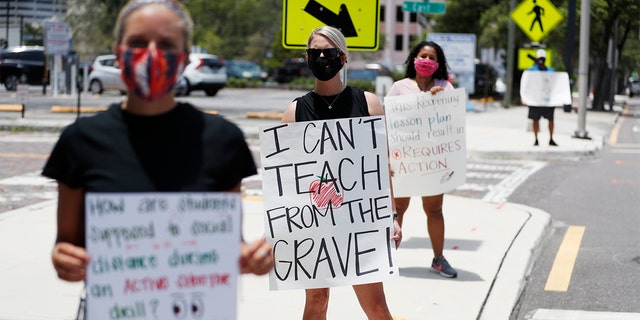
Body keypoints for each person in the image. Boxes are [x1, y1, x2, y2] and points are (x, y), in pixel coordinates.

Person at [43, 0, 273, 285]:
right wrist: (64, 259)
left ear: (185, 58)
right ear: (117, 54)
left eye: (166, 45)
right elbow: (65, 244)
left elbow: (228, 243)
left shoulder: (223, 141)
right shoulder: (80, 141)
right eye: (138, 42)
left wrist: (251, 258)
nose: (152, 55)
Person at [281, 26, 402, 320]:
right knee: (317, 301)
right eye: (315, 53)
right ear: (307, 59)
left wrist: (393, 216)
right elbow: (286, 178)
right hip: (315, 222)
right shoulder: (295, 111)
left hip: (360, 220)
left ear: (343, 58)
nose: (323, 57)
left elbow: (380, 167)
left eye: (330, 52)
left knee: (376, 306)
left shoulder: (368, 103)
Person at [385, 40, 458, 278]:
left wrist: (440, 101)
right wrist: (386, 156)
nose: (427, 61)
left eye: (432, 57)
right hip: (404, 159)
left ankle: (439, 259)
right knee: (399, 209)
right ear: (414, 59)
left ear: (438, 64)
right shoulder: (399, 87)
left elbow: (454, 121)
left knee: (434, 210)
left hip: (432, 160)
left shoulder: (445, 87)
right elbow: (386, 123)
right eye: (423, 55)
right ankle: (387, 258)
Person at [527, 48, 558, 146]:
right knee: (535, 120)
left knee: (551, 120)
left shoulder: (551, 70)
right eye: (539, 58)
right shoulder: (531, 71)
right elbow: (527, 85)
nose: (541, 60)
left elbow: (556, 84)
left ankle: (551, 138)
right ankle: (536, 139)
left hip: (547, 100)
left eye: (543, 58)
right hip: (536, 100)